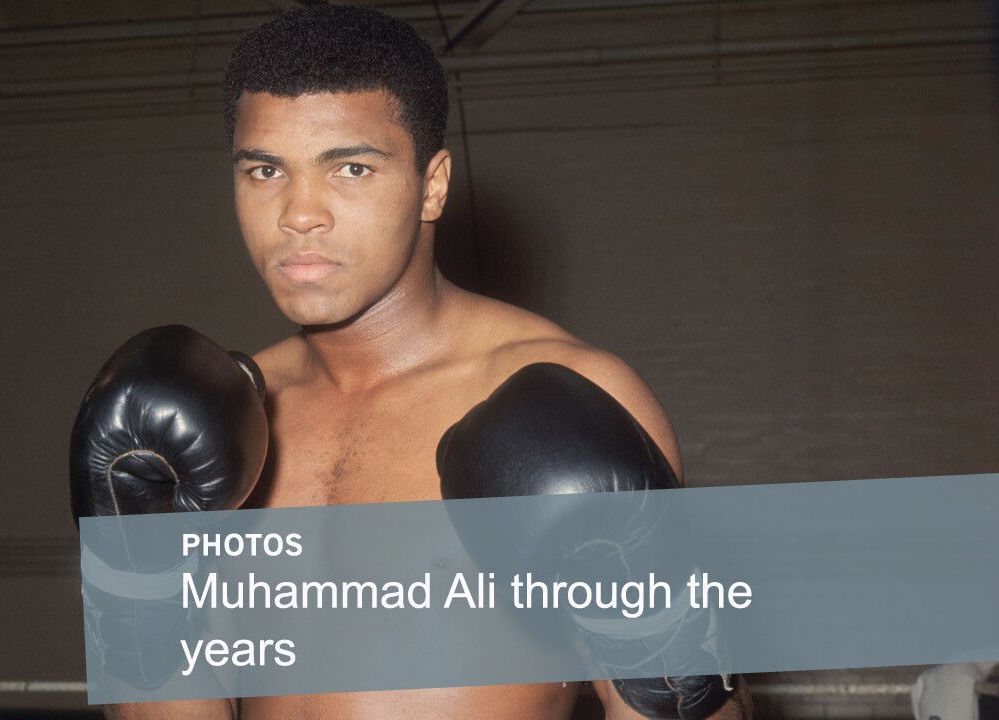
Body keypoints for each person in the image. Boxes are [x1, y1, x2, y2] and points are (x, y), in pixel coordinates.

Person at [91, 6, 753, 719]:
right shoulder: (222, 417)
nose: (299, 212)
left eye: (350, 167)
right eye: (264, 170)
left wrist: (652, 629)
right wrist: (137, 584)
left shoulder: (575, 393)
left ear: (432, 185)